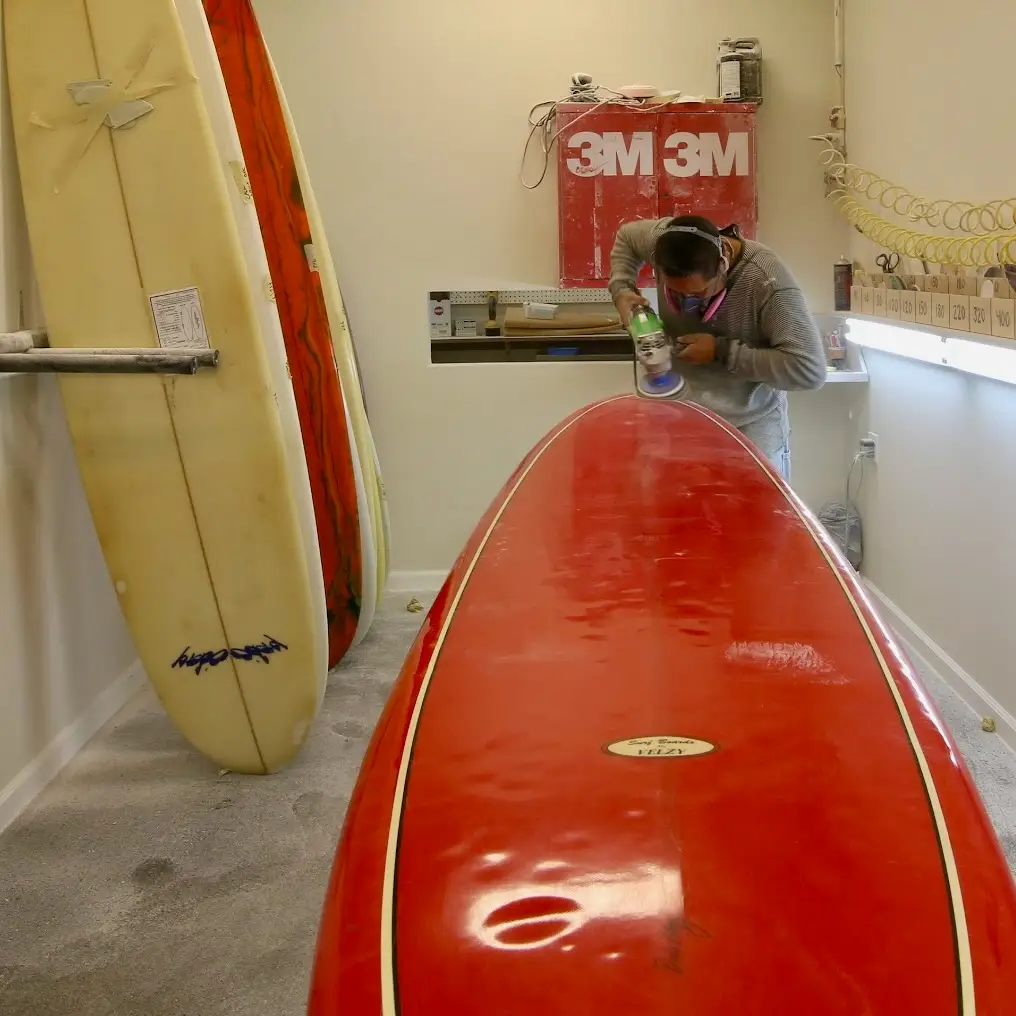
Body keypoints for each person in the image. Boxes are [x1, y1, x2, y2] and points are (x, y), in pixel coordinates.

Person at [609, 214, 827, 482]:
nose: (688, 304)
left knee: (754, 516)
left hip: (749, 426)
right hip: (680, 419)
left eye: (698, 293)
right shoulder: (664, 242)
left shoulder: (767, 281)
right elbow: (627, 236)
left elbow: (809, 370)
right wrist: (621, 290)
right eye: (676, 292)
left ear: (723, 264)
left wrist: (723, 352)